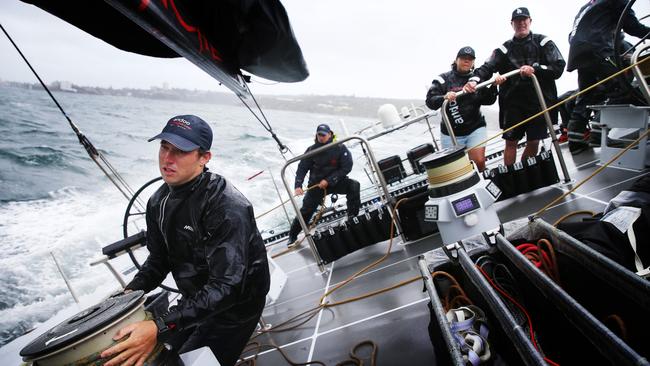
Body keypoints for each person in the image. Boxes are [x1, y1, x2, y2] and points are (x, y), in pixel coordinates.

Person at [101, 115, 270, 366]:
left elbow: (227, 287)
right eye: (164, 147)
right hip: (196, 299)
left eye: (180, 151)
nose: (167, 159)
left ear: (204, 158)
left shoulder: (226, 206)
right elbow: (159, 260)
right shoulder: (157, 201)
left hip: (235, 307)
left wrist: (159, 326)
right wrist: (128, 294)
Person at [464, 7, 565, 166]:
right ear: (512, 24)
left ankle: (524, 170)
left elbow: (558, 67)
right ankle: (509, 177)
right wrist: (474, 81)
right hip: (512, 104)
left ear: (530, 21)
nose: (521, 23)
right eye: (517, 21)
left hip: (539, 102)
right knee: (511, 142)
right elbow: (486, 67)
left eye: (524, 20)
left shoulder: (543, 42)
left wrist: (536, 69)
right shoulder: (504, 49)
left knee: (534, 141)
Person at [566, 0, 650, 155]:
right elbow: (632, 26)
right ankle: (598, 134)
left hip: (578, 53)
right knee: (622, 89)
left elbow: (572, 34)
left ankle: (575, 141)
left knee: (586, 95)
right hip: (598, 49)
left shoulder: (588, 6)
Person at [426, 46, 497, 171]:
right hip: (450, 133)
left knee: (478, 161)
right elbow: (430, 101)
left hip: (475, 128)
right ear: (456, 60)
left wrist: (494, 86)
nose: (466, 61)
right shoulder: (442, 79)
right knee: (455, 169)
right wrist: (444, 98)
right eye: (463, 58)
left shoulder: (476, 79)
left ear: (473, 63)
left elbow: (489, 100)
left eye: (470, 59)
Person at [287, 124, 360, 245]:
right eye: (319, 134)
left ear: (330, 134)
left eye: (323, 135)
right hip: (317, 186)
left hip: (336, 182)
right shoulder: (311, 150)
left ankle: (352, 218)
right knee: (306, 210)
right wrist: (298, 185)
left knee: (354, 186)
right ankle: (292, 235)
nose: (321, 137)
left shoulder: (340, 148)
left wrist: (329, 180)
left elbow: (347, 167)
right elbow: (302, 168)